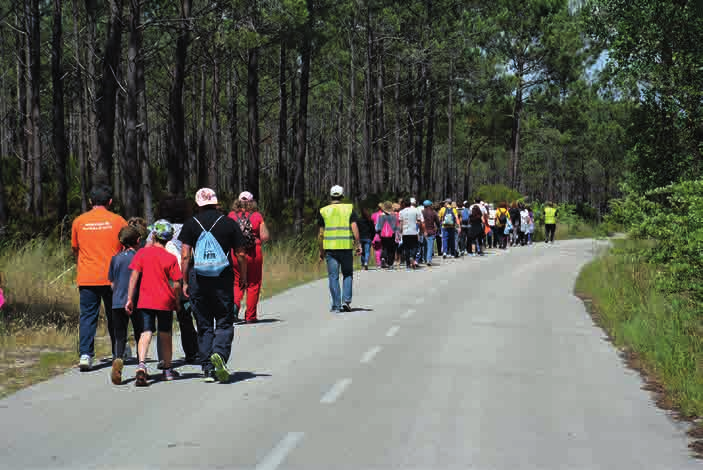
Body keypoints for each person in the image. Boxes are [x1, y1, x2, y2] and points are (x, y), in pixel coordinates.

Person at [179, 188, 248, 383]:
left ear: (198, 203)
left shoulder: (191, 224)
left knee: (204, 324)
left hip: (198, 279)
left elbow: (185, 256)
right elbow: (241, 254)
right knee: (224, 321)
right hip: (222, 279)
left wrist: (184, 281)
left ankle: (208, 368)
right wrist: (242, 277)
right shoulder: (229, 223)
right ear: (216, 202)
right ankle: (220, 355)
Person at [71, 185, 128, 371]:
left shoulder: (79, 222)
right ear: (110, 202)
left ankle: (85, 355)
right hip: (114, 278)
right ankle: (117, 352)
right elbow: (126, 247)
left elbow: (75, 249)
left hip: (87, 277)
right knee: (115, 316)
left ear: (90, 202)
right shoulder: (118, 221)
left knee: (88, 316)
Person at [125, 220, 182, 386]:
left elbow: (134, 277)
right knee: (165, 334)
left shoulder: (142, 253)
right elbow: (177, 283)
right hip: (165, 300)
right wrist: (177, 301)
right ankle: (167, 370)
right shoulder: (170, 258)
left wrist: (129, 298)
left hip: (145, 300)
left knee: (146, 332)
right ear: (169, 239)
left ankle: (141, 365)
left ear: (154, 235)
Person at [151, 196, 199, 365]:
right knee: (185, 317)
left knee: (162, 322)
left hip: (159, 281)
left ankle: (163, 358)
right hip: (181, 278)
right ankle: (192, 352)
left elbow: (145, 252)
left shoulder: (155, 230)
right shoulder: (188, 227)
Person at [108, 226, 143, 385]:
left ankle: (118, 359)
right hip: (136, 302)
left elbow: (112, 284)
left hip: (117, 302)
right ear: (137, 241)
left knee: (120, 336)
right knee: (140, 335)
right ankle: (141, 366)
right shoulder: (139, 257)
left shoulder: (115, 258)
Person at [318, 185, 361, 313]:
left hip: (330, 249)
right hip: (346, 247)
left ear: (330, 196)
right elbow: (354, 228)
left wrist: (321, 251)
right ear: (342, 196)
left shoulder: (323, 211)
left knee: (333, 277)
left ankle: (336, 305)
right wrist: (358, 244)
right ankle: (346, 301)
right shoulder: (349, 209)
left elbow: (320, 234)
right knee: (347, 274)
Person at [229, 191, 270, 323]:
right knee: (253, 284)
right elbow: (264, 237)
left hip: (235, 252)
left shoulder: (231, 216)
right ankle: (250, 316)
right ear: (252, 202)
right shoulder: (257, 216)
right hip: (254, 253)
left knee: (236, 282)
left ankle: (234, 307)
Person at [399, 198, 424, 270]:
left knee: (406, 248)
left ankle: (407, 265)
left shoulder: (401, 212)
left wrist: (400, 232)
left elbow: (401, 223)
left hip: (405, 232)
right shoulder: (416, 211)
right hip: (414, 231)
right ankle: (412, 257)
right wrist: (420, 230)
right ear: (410, 204)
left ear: (404, 204)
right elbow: (419, 222)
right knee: (415, 247)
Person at [376, 201, 399, 269]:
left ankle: (383, 258)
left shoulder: (381, 216)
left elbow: (378, 227)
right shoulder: (394, 216)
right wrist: (397, 234)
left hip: (383, 234)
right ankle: (390, 263)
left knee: (384, 247)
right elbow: (396, 226)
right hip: (392, 234)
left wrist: (378, 232)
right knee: (391, 249)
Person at [421, 200, 439, 266]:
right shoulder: (433, 213)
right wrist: (438, 228)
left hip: (423, 231)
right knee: (430, 247)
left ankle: (424, 259)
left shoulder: (422, 212)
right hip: (431, 231)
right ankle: (428, 260)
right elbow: (437, 222)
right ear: (429, 205)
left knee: (424, 246)